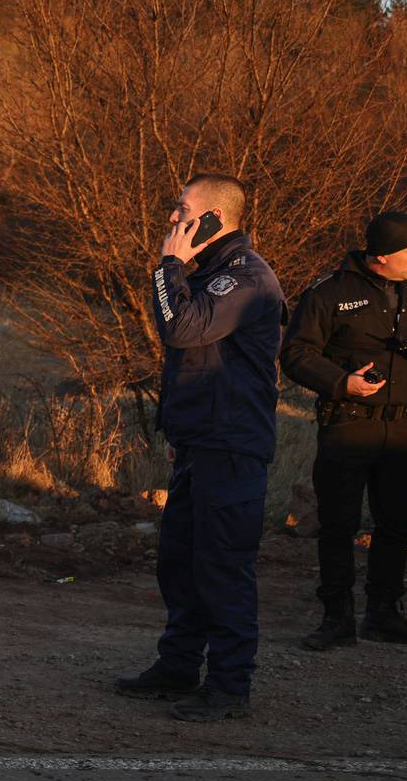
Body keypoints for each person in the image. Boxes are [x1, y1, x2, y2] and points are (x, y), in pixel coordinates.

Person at [116, 173, 286, 721]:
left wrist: (167, 267)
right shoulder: (212, 274)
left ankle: (230, 687)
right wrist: (177, 435)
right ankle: (178, 666)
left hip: (231, 446)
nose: (173, 219)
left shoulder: (244, 278)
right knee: (181, 563)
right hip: (200, 444)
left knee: (221, 566)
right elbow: (195, 362)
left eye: (182, 209)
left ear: (214, 217)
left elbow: (183, 332)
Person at [281, 210, 407, 651]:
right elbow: (296, 354)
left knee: (396, 526)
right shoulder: (329, 293)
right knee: (339, 526)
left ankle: (384, 615)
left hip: (403, 429)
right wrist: (341, 382)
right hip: (348, 426)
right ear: (381, 257)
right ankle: (336, 619)